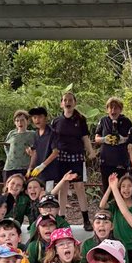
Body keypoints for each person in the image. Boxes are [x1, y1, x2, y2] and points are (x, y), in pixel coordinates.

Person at [50, 91, 96, 229]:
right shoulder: (56, 121)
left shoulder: (80, 119)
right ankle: (62, 219)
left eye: (70, 100)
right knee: (62, 188)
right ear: (61, 103)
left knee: (79, 187)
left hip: (76, 157)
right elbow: (51, 140)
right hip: (61, 157)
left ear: (75, 102)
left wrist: (91, 151)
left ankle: (86, 219)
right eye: (65, 100)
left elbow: (85, 138)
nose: (68, 102)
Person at [100, 171, 132, 263]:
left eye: (129, 186)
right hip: (117, 245)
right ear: (119, 189)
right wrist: (110, 187)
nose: (126, 189)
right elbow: (102, 205)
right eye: (123, 186)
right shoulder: (115, 205)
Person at [94, 97, 132, 193]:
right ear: (107, 109)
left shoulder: (126, 121)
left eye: (116, 108)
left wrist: (122, 139)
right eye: (111, 108)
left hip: (121, 160)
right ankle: (106, 205)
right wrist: (104, 139)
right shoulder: (103, 120)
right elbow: (96, 138)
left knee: (121, 185)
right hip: (106, 159)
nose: (113, 110)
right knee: (106, 185)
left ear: (120, 109)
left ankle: (120, 206)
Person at [27, 106, 59, 189]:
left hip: (50, 172)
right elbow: (34, 152)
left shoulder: (52, 133)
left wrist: (43, 165)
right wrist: (30, 167)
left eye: (40, 117)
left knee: (48, 196)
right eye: (34, 117)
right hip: (38, 173)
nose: (37, 120)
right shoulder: (35, 134)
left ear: (45, 118)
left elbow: (55, 152)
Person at [3, 110, 37, 180]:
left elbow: (37, 148)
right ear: (15, 122)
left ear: (27, 121)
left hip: (25, 166)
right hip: (10, 166)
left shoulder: (32, 134)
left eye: (22, 120)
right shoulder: (12, 133)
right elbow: (6, 145)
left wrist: (31, 152)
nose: (20, 123)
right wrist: (9, 156)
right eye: (17, 121)